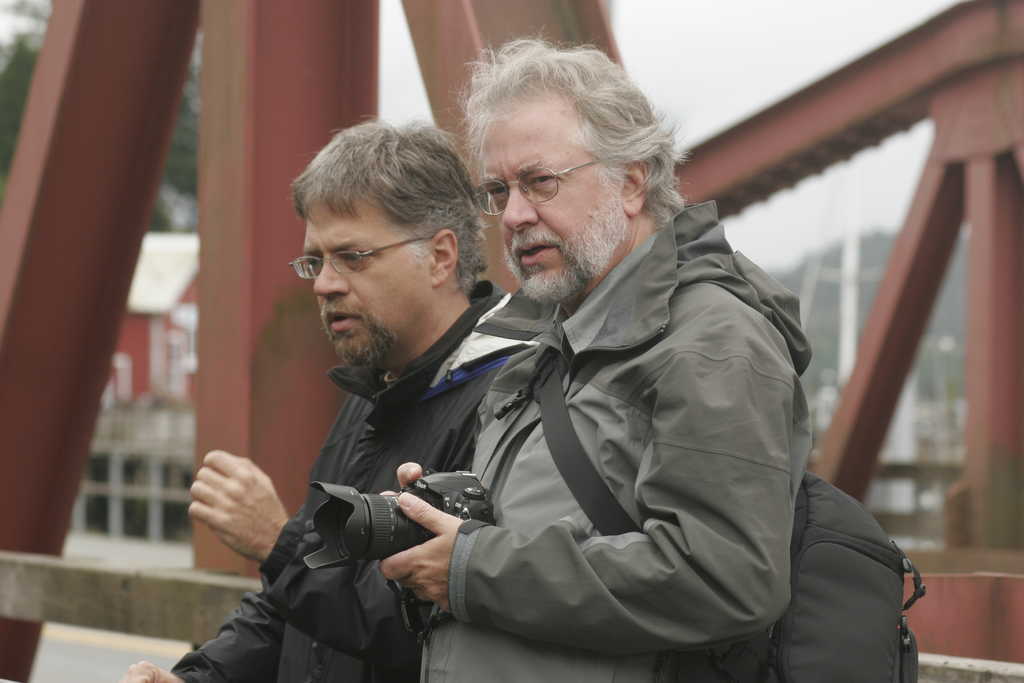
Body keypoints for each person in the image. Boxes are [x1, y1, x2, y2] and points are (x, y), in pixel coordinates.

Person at [379, 39, 813, 681]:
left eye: (540, 182)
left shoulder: (712, 342)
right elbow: (543, 532)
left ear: (631, 182)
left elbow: (726, 577)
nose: (515, 216)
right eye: (499, 190)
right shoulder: (555, 340)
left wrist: (474, 567)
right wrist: (446, 524)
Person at [119, 121, 545, 683]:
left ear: (441, 256)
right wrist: (198, 678)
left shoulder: (510, 398)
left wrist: (278, 543)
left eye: (352, 256)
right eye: (315, 261)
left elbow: (421, 626)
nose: (324, 284)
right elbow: (289, 608)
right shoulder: (377, 391)